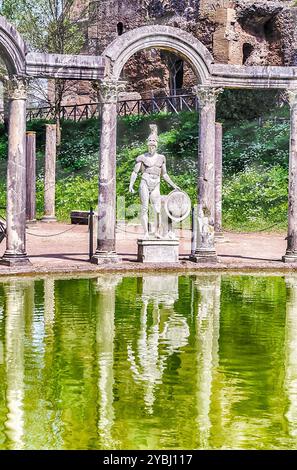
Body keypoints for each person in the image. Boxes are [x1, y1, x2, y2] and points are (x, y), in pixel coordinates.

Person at [129, 124, 180, 238]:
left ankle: (157, 231)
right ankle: (146, 233)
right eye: (150, 143)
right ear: (147, 145)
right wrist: (131, 185)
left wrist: (173, 185)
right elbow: (135, 172)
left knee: (157, 209)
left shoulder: (161, 158)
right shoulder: (142, 157)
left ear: (157, 145)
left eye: (154, 144)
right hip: (145, 182)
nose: (152, 146)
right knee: (145, 208)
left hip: (156, 183)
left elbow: (165, 174)